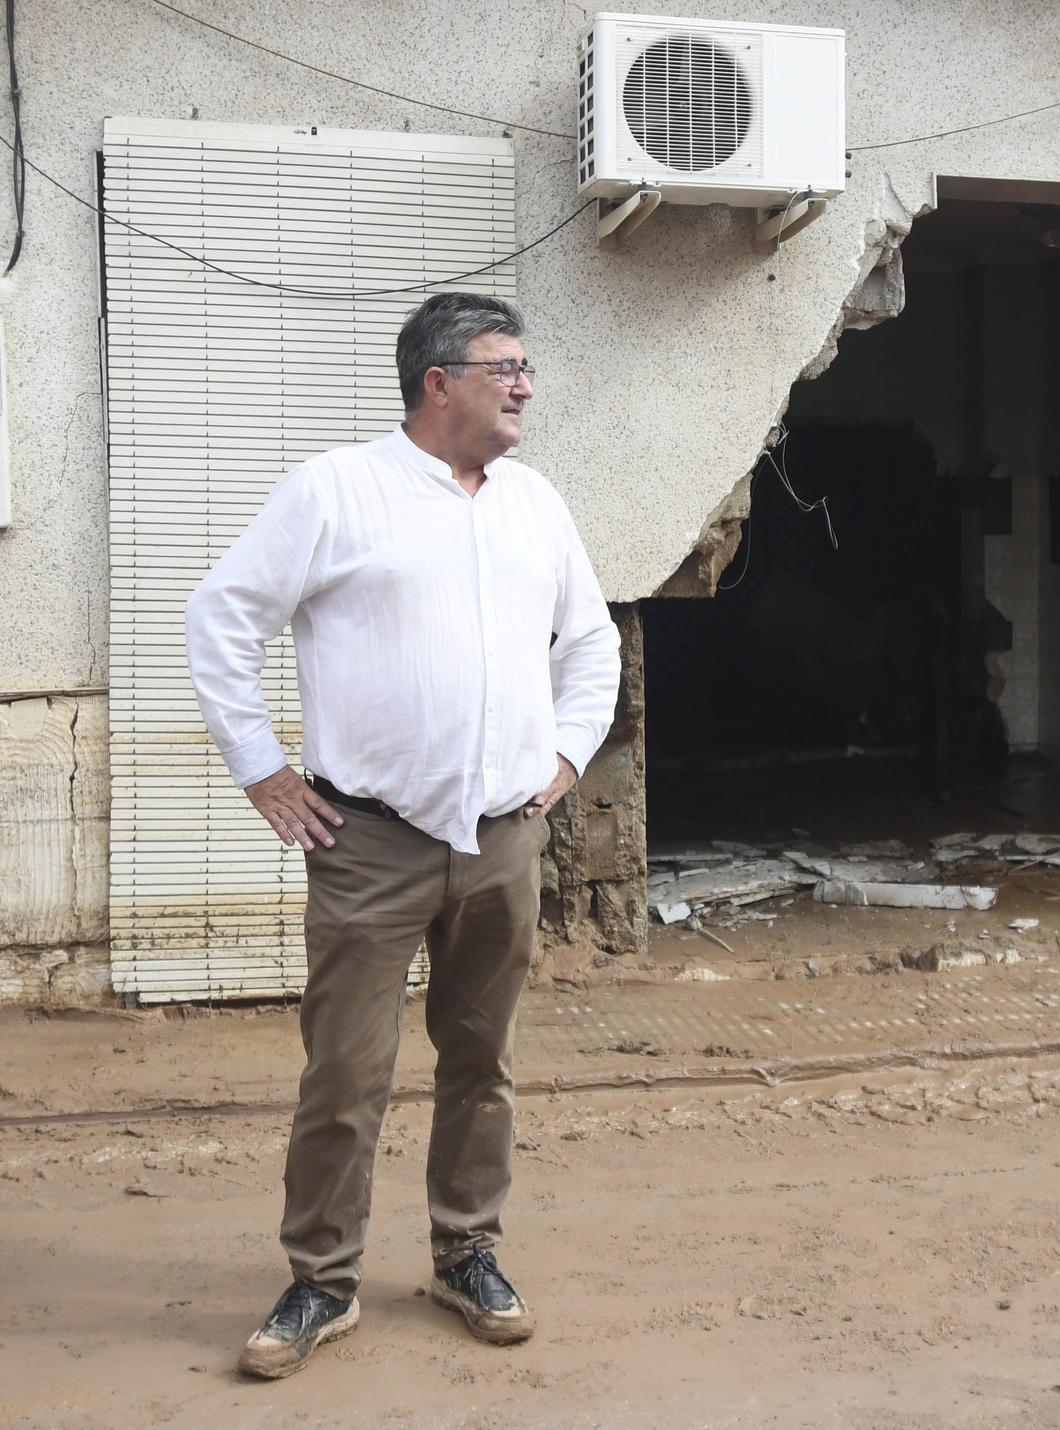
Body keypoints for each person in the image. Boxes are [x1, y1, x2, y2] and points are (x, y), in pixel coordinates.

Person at [185, 292, 620, 1379]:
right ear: (438, 381)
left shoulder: (532, 504)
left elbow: (593, 643)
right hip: (368, 842)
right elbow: (222, 615)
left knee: (483, 1057)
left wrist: (563, 758)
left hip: (501, 840)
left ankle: (465, 1249)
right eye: (503, 365)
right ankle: (320, 1279)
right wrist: (262, 769)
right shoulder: (338, 490)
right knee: (346, 1071)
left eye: (527, 365)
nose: (524, 384)